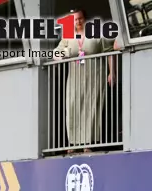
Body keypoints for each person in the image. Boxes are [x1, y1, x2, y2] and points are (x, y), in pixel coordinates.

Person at [51, 9, 121, 153]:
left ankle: (87, 144)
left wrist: (112, 72)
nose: (78, 22)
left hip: (94, 75)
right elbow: (55, 53)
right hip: (75, 77)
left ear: (85, 18)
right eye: (75, 20)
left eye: (80, 19)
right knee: (73, 107)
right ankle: (73, 144)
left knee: (91, 108)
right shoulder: (68, 36)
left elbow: (109, 52)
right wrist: (62, 55)